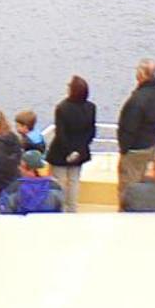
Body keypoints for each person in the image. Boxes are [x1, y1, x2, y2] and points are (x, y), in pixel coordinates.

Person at [116, 58, 155, 207]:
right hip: (151, 144)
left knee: (128, 188)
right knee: (145, 182)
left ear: (141, 75)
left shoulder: (137, 100)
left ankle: (127, 214)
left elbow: (129, 128)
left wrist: (124, 148)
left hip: (134, 150)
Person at [46, 75, 97, 214]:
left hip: (61, 153)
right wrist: (78, 151)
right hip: (80, 152)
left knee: (60, 183)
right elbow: (91, 132)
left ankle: (60, 211)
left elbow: (61, 134)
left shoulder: (62, 108)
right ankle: (72, 210)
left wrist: (69, 152)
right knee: (74, 182)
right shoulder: (91, 107)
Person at [0, 150, 65, 214]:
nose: (19, 168)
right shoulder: (55, 188)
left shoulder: (12, 190)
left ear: (30, 170)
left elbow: (5, 213)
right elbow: (59, 211)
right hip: (47, 225)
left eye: (21, 166)